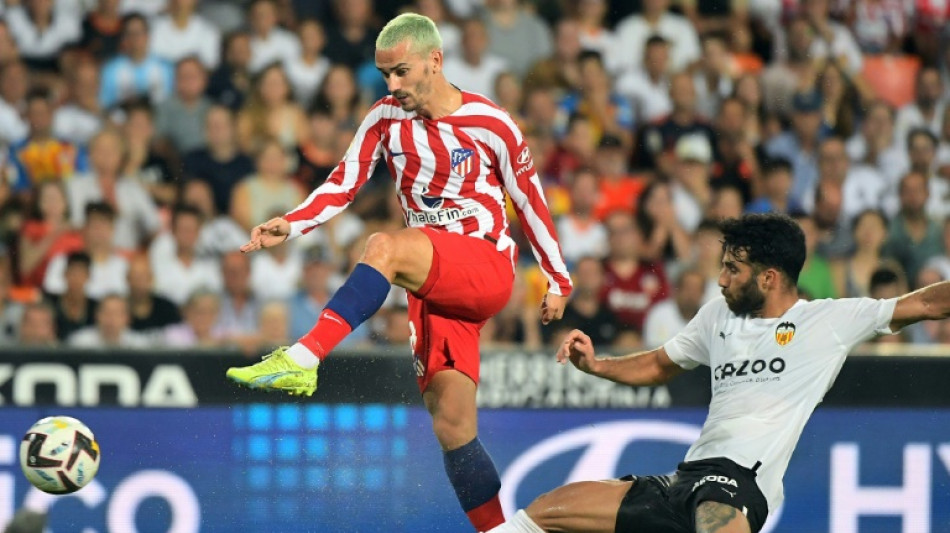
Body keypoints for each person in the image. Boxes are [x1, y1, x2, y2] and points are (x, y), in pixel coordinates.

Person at [225, 14, 571, 532]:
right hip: (431, 284)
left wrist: (558, 277)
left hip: (483, 265)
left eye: (401, 72)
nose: (392, 85)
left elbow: (530, 200)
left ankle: (305, 355)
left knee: (382, 245)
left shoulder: (492, 123)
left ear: (435, 61)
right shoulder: (385, 118)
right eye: (385, 74)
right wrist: (291, 225)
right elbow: (343, 183)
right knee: (452, 426)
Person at [486, 213, 950, 533]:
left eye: (732, 268)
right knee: (546, 512)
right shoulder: (716, 316)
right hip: (683, 480)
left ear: (768, 277)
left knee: (714, 512)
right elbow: (658, 364)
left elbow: (927, 303)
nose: (721, 279)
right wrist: (598, 365)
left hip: (741, 482)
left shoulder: (828, 321)